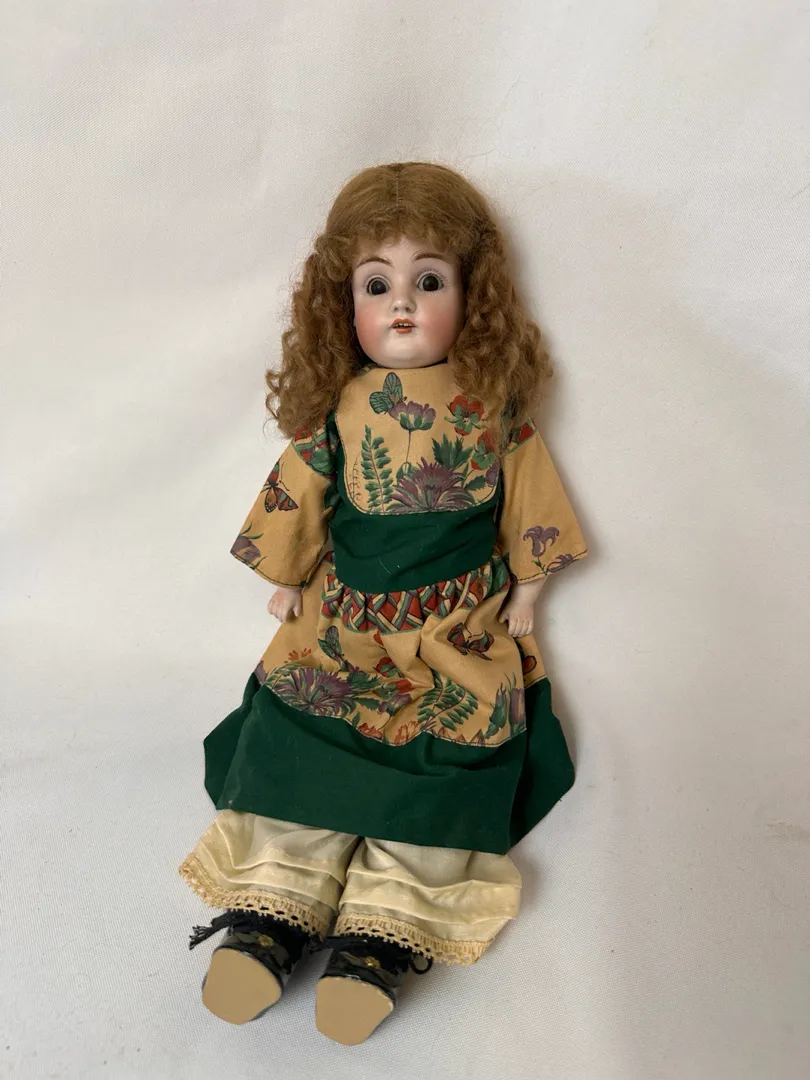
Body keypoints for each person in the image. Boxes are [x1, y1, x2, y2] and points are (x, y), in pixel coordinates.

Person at [179, 161, 588, 1045]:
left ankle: (384, 927)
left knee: (449, 763)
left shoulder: (494, 413)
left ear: (473, 297)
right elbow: (300, 490)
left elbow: (533, 502)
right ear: (344, 303)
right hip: (345, 628)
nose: (402, 303)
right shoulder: (339, 414)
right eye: (377, 284)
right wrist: (288, 574)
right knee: (299, 745)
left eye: (428, 281)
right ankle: (276, 906)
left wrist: (530, 586)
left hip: (455, 630)